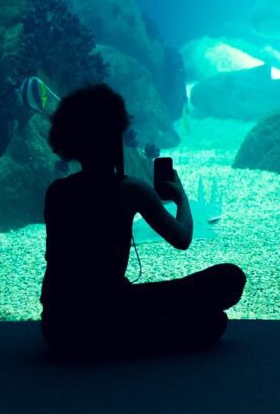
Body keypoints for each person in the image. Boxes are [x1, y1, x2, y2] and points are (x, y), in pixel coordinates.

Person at [39, 83, 246, 359]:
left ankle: (130, 337)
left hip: (58, 327)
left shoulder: (57, 192)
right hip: (109, 314)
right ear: (115, 137)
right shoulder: (130, 189)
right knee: (228, 284)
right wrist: (181, 198)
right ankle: (129, 339)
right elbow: (182, 238)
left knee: (203, 319)